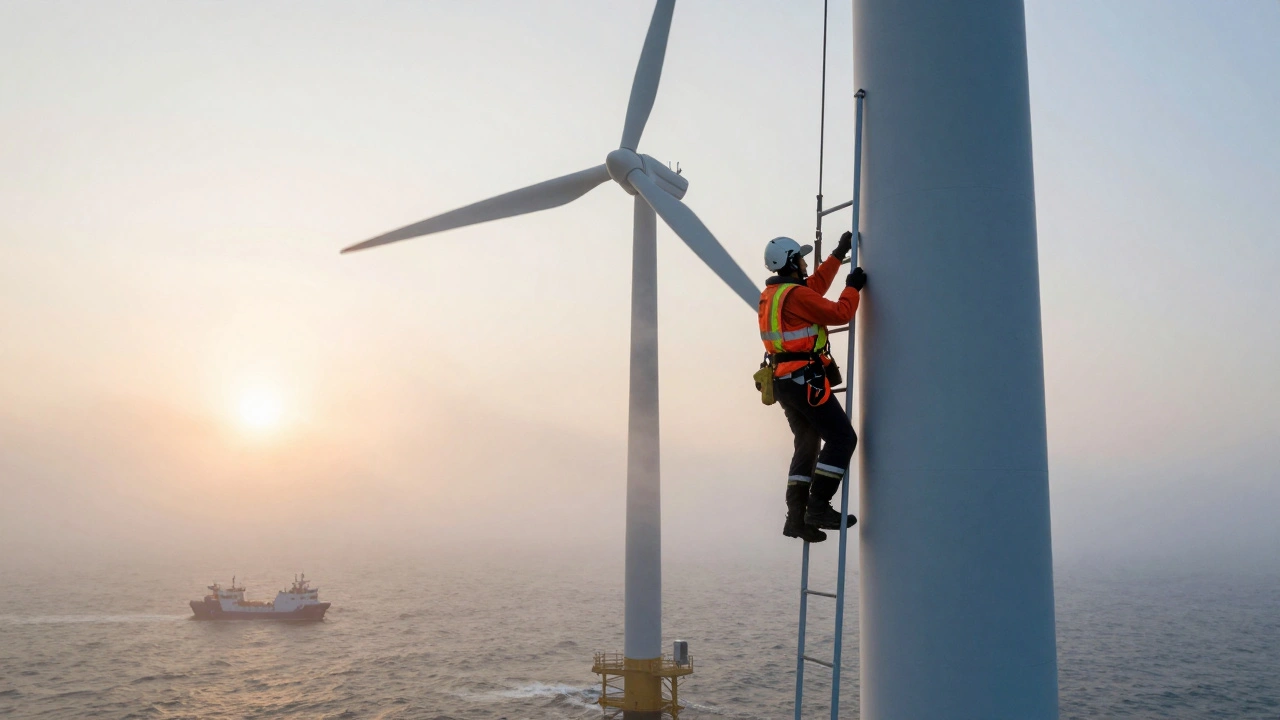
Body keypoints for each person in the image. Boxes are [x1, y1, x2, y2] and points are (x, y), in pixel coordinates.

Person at [758, 231, 866, 543]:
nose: (806, 262)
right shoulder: (796, 295)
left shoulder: (773, 296)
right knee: (842, 438)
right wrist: (852, 288)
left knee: (806, 445)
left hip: (783, 382)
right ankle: (818, 507)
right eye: (802, 258)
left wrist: (837, 253)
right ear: (792, 262)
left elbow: (814, 286)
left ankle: (795, 519)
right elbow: (839, 313)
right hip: (805, 380)